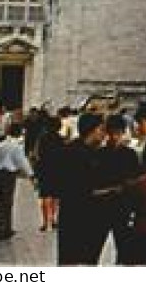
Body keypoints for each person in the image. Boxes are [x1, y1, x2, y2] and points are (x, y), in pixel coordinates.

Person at [55, 112, 109, 265]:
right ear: (92, 130)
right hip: (80, 216)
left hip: (73, 215)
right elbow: (85, 188)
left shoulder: (72, 149)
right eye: (101, 129)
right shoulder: (82, 154)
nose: (104, 134)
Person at [97, 113, 143, 263]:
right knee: (95, 247)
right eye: (113, 133)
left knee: (124, 249)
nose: (116, 137)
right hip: (104, 205)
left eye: (118, 133)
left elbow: (136, 180)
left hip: (122, 206)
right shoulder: (100, 154)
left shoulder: (130, 155)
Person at [0, 123, 35, 241]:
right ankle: (2, 230)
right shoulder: (16, 146)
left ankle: (3, 228)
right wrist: (31, 175)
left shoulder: (0, 145)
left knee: (1, 201)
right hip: (8, 175)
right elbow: (22, 161)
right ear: (19, 132)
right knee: (6, 202)